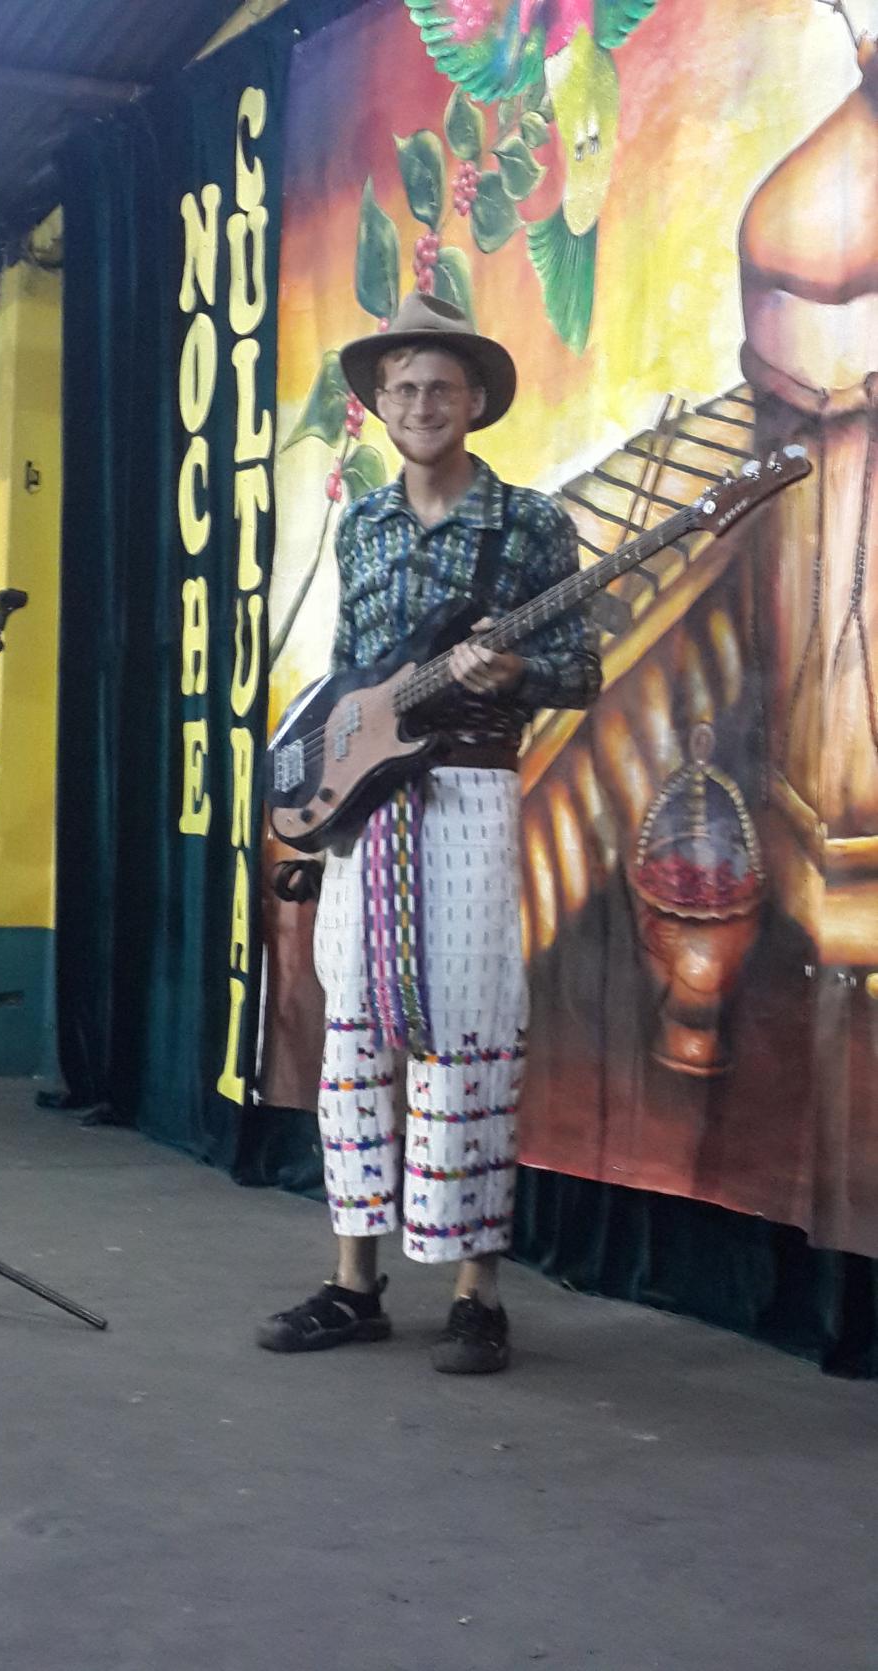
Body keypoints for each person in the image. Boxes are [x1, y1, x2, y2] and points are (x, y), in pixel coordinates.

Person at [258, 293, 601, 1372]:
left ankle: (474, 1292)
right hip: (364, 811)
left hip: (468, 793)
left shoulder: (529, 524)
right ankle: (351, 1284)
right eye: (401, 387)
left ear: (475, 399)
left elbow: (580, 671)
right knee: (356, 1030)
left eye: (439, 386)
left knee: (466, 1030)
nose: (419, 403)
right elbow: (347, 675)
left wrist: (516, 669)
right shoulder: (359, 524)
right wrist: (318, 780)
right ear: (379, 399)